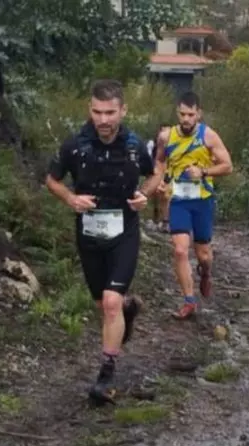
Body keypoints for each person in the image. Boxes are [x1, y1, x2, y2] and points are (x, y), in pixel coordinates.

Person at [45, 79, 164, 405]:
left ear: (123, 110)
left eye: (110, 113)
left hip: (124, 231)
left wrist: (144, 194)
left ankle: (106, 376)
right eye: (97, 112)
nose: (103, 120)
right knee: (104, 305)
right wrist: (71, 199)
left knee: (110, 302)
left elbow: (155, 173)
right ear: (90, 110)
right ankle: (127, 311)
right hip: (89, 235)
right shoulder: (75, 145)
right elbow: (52, 180)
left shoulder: (134, 145)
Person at [153, 91, 232, 320]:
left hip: (202, 200)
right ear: (177, 113)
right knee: (180, 250)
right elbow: (159, 161)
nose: (186, 119)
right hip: (178, 200)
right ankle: (189, 301)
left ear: (199, 114)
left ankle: (205, 272)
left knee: (203, 254)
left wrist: (203, 171)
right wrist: (160, 181)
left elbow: (228, 166)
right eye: (182, 114)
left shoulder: (209, 136)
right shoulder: (166, 137)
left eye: (190, 114)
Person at [147, 123, 173, 233]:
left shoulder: (174, 145)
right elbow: (149, 159)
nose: (166, 134)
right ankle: (156, 217)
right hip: (155, 172)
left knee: (166, 196)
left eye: (168, 132)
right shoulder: (152, 144)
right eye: (163, 131)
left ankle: (166, 221)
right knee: (156, 196)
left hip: (169, 172)